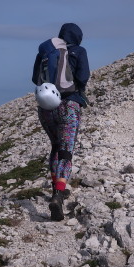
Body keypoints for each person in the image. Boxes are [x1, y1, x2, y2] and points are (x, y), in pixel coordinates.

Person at [32, 23, 90, 221]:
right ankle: (58, 193)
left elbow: (34, 78)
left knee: (55, 147)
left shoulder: (47, 51)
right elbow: (83, 77)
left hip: (46, 108)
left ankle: (55, 186)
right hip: (69, 105)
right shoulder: (78, 51)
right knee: (66, 149)